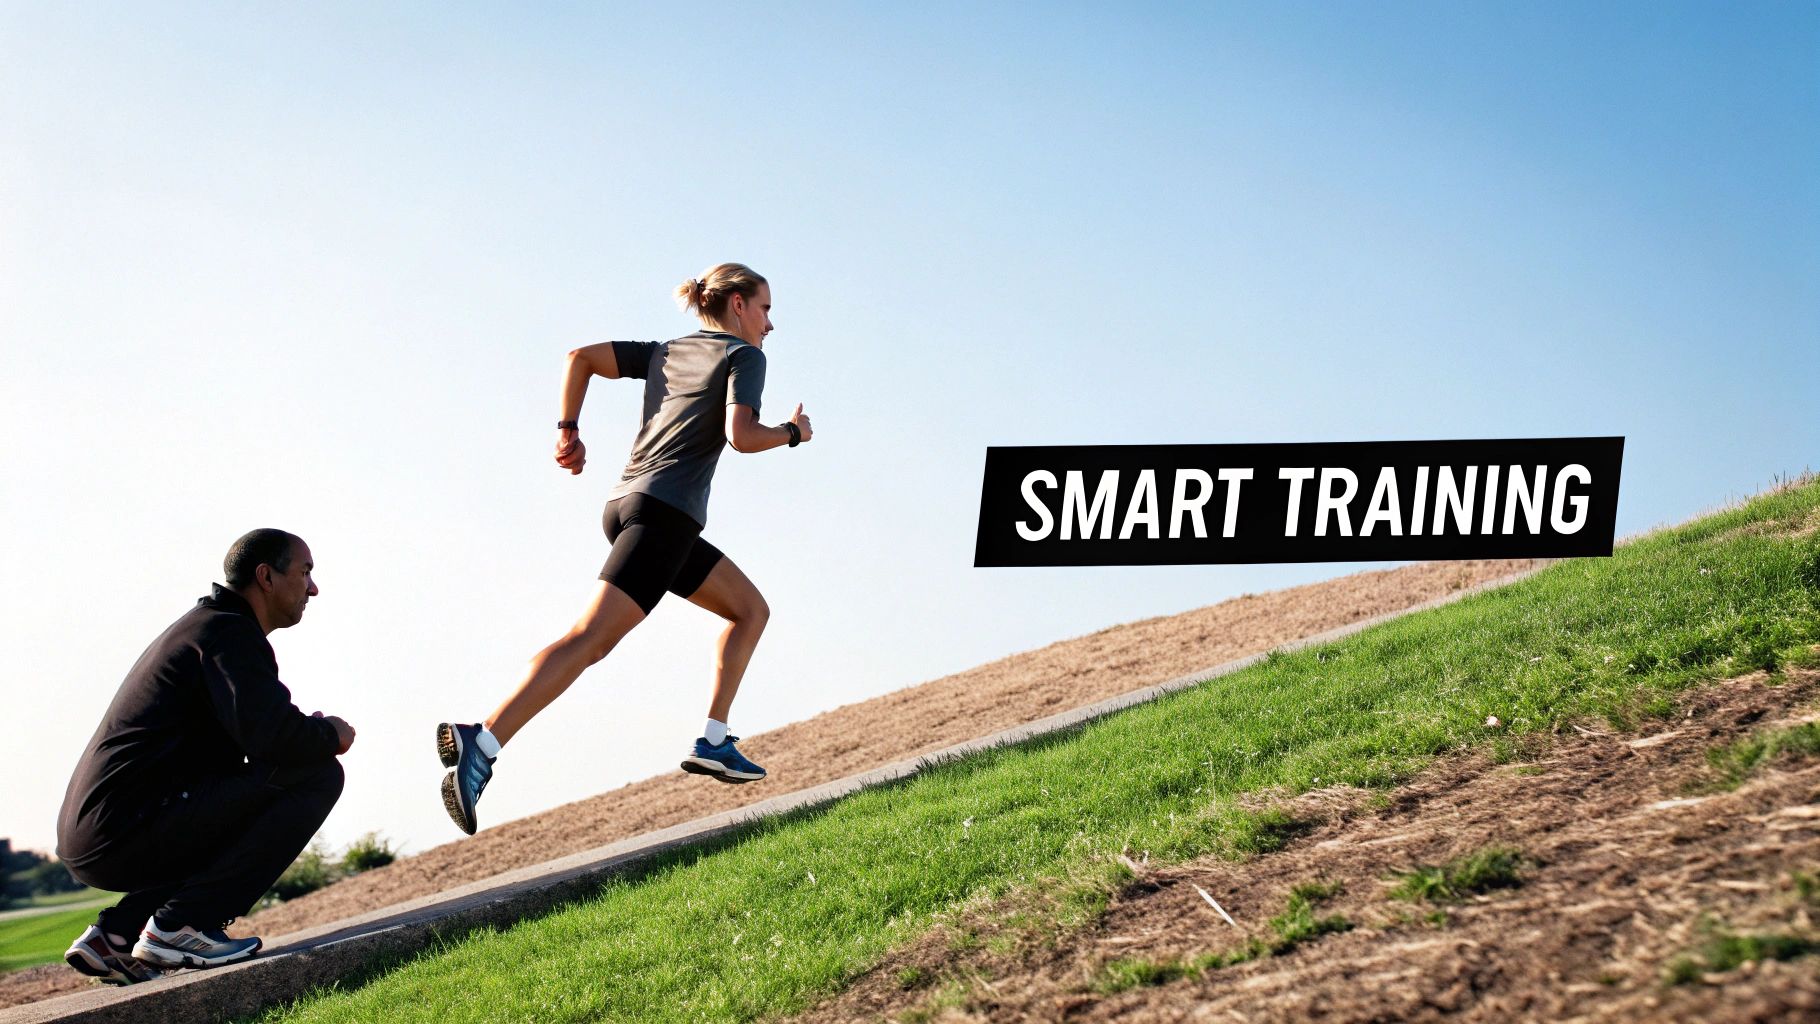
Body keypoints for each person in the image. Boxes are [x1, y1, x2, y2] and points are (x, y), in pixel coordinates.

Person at [437, 262, 812, 835]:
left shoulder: (665, 351)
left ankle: (714, 739)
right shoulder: (744, 357)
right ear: (737, 304)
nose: (770, 324)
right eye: (765, 308)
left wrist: (568, 429)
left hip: (633, 507)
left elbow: (579, 358)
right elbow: (742, 437)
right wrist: (792, 434)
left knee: (750, 610)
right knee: (589, 641)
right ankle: (482, 741)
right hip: (663, 517)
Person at [55, 529, 354, 981]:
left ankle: (116, 934)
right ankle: (181, 926)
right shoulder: (227, 633)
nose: (313, 588)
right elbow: (274, 737)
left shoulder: (211, 627)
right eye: (305, 572)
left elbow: (260, 741)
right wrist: (329, 733)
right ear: (266, 577)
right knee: (317, 774)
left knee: (252, 793)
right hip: (127, 825)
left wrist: (300, 735)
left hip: (111, 828)